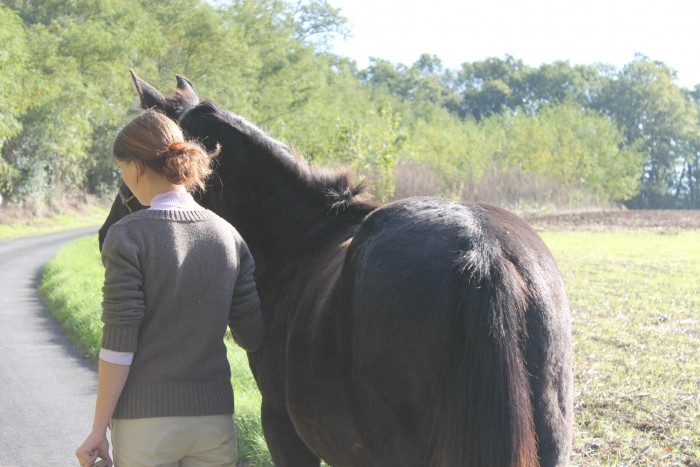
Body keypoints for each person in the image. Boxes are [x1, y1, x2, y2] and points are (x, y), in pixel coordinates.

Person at [76, 109, 264, 467]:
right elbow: (252, 335)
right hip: (214, 422)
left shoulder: (128, 235)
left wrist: (98, 429)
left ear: (136, 168)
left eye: (121, 171)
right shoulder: (228, 236)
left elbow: (118, 345)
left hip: (145, 428)